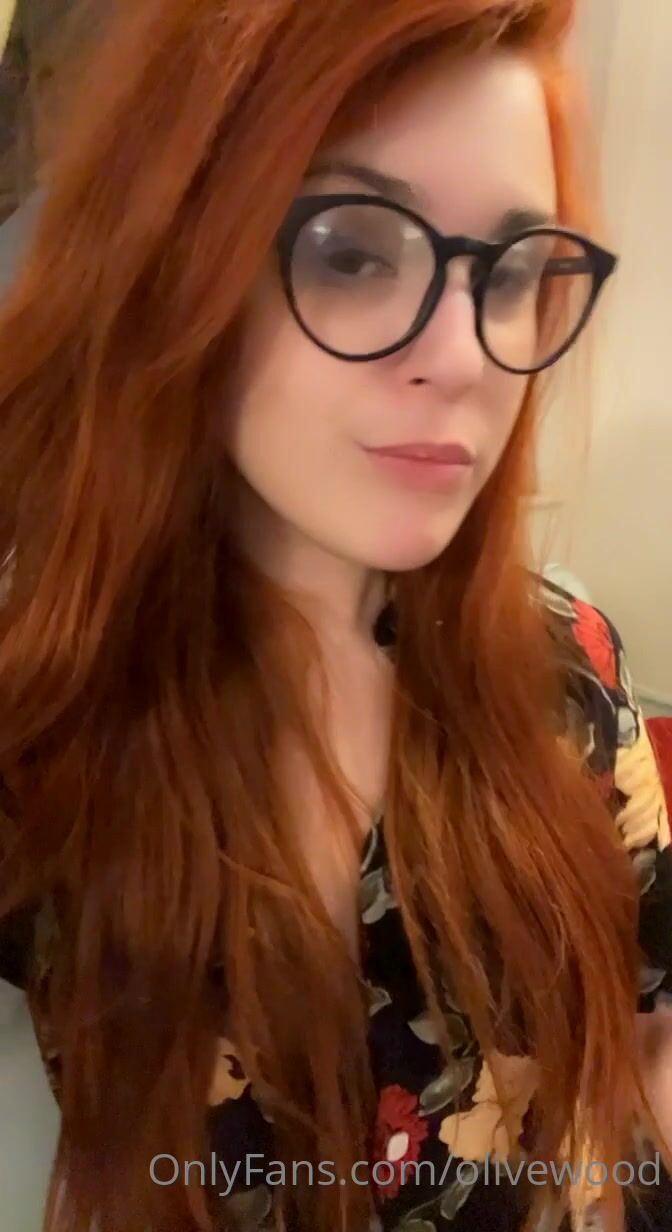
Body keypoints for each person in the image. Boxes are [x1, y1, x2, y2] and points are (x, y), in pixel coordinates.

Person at [0, 1, 670, 1230]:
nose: (468, 356)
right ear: (173, 259)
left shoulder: (562, 664)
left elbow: (644, 1034)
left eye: (515, 271)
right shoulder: (44, 702)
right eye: (353, 251)